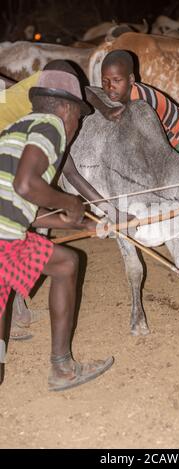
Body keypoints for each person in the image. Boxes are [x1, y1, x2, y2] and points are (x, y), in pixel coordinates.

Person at [0, 69, 114, 390]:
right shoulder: (50, 127)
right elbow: (26, 184)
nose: (77, 127)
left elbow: (24, 209)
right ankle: (62, 368)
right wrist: (69, 202)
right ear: (66, 109)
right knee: (66, 264)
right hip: (3, 241)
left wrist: (85, 222)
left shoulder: (14, 129)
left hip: (4, 233)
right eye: (79, 117)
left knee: (60, 262)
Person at [87, 49, 179, 156]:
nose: (110, 86)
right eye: (104, 81)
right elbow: (84, 91)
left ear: (131, 79)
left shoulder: (141, 102)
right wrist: (105, 110)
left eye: (117, 80)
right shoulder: (123, 93)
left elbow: (152, 144)